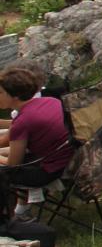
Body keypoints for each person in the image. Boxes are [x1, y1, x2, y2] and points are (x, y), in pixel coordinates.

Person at [0, 67, 73, 222]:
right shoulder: (50, 101)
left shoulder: (23, 121)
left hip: (51, 171)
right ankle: (19, 211)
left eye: (0, 93)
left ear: (15, 96)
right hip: (68, 157)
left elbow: (13, 165)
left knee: (3, 173)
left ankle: (9, 220)